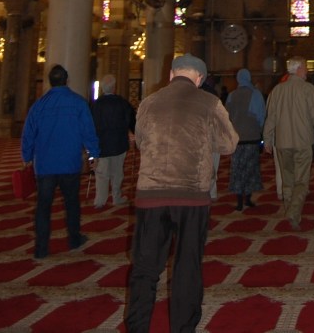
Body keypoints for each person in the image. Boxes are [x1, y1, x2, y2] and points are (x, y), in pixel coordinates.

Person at [124, 53, 238, 333]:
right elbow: (229, 143)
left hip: (151, 195)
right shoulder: (209, 102)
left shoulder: (149, 102)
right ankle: (183, 328)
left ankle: (137, 327)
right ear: (200, 79)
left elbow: (140, 140)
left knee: (145, 268)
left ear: (172, 75)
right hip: (191, 196)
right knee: (187, 267)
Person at [21, 63, 100, 260]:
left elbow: (28, 134)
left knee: (43, 206)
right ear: (67, 80)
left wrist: (27, 157)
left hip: (45, 164)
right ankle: (74, 239)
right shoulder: (78, 103)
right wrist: (93, 155)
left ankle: (41, 248)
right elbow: (88, 132)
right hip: (69, 162)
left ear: (50, 81)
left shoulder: (39, 105)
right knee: (72, 203)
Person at [263, 56, 314, 230]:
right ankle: (293, 211)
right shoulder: (308, 89)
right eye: (305, 67)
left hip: (282, 142)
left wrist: (267, 139)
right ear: (298, 69)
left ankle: (290, 209)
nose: (307, 71)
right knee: (302, 181)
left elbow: (271, 118)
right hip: (303, 141)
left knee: (287, 179)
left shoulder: (277, 90)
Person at [90, 73, 135, 209]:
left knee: (102, 173)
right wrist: (135, 134)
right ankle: (116, 197)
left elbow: (91, 126)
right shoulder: (123, 103)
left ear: (102, 88)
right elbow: (131, 121)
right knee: (117, 173)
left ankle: (100, 200)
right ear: (114, 87)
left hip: (102, 145)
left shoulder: (96, 105)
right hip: (119, 144)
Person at [226, 67, 266, 210]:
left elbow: (227, 117)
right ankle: (248, 198)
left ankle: (239, 201)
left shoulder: (231, 96)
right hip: (252, 138)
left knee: (238, 169)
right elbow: (261, 116)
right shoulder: (256, 95)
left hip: (237, 139)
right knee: (250, 169)